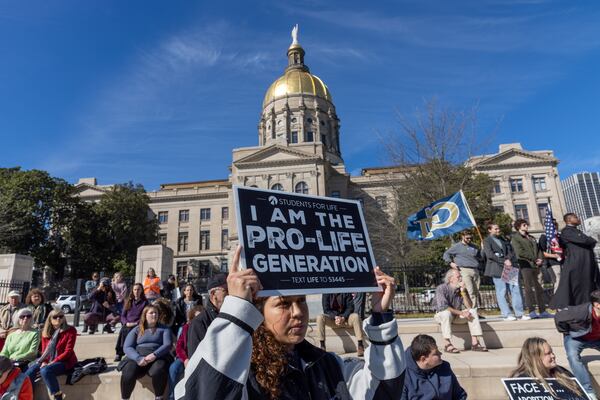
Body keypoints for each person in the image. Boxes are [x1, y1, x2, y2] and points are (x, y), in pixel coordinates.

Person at [175, 245, 405, 400]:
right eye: (284, 304)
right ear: (259, 313)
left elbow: (383, 391)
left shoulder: (329, 365)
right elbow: (204, 392)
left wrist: (379, 315)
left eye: (302, 301)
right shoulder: (241, 372)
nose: (298, 313)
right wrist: (236, 308)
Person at [555, 289, 600, 399]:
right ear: (597, 305)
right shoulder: (580, 311)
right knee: (573, 356)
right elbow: (559, 317)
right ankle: (588, 392)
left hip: (597, 339)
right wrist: (567, 332)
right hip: (577, 339)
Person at [121, 305, 173, 400]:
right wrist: (138, 358)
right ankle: (125, 398)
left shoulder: (165, 329)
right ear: (145, 315)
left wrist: (154, 355)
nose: (154, 315)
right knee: (128, 371)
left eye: (156, 313)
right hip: (139, 358)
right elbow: (127, 347)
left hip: (158, 357)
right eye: (151, 313)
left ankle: (159, 397)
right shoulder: (137, 329)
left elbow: (167, 345)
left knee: (159, 369)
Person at [25, 310, 77, 400]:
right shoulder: (46, 333)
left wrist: (52, 362)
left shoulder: (70, 330)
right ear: (50, 319)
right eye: (55, 317)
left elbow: (68, 352)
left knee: (45, 371)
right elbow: (45, 351)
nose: (58, 319)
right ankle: (29, 397)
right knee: (30, 371)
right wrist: (44, 361)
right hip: (49, 360)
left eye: (61, 316)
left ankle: (58, 396)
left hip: (65, 361)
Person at [552, 213, 600, 309]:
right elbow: (586, 241)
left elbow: (589, 241)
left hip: (586, 262)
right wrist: (590, 240)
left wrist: (590, 240)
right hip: (577, 263)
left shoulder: (576, 231)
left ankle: (588, 304)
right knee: (578, 285)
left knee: (588, 284)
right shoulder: (567, 231)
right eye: (576, 217)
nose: (578, 218)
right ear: (569, 220)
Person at [510, 337, 583, 399]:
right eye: (548, 353)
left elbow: (581, 395)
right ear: (536, 358)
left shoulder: (563, 373)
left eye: (552, 352)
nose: (553, 356)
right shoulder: (522, 382)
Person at [433, 269, 487, 353]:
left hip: (455, 316)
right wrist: (462, 313)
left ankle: (475, 343)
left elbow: (469, 306)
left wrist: (463, 292)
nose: (461, 279)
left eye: (461, 276)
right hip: (441, 315)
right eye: (458, 277)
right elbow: (444, 307)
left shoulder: (460, 290)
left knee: (472, 311)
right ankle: (447, 344)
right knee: (446, 314)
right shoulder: (441, 288)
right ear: (451, 279)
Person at [483, 223, 528, 321]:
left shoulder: (504, 239)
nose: (498, 230)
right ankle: (506, 314)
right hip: (497, 268)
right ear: (489, 230)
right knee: (502, 291)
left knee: (515, 290)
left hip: (510, 267)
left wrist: (508, 259)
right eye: (496, 229)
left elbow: (511, 251)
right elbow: (490, 255)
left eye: (498, 228)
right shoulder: (487, 241)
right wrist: (503, 261)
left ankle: (519, 313)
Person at [401, 334, 467, 400]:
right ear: (423, 359)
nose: (440, 353)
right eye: (436, 353)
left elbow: (459, 395)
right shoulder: (403, 376)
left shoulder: (444, 367)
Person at [511, 219, 551, 319]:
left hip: (536, 266)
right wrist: (534, 259)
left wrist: (540, 259)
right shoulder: (516, 238)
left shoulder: (531, 237)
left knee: (539, 288)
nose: (526, 226)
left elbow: (538, 250)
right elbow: (520, 252)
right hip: (526, 266)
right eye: (524, 225)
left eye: (526, 224)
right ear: (518, 227)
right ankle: (532, 311)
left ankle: (542, 311)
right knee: (528, 289)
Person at [186, 273, 227, 357]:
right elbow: (195, 358)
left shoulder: (235, 316)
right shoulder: (199, 322)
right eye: (226, 290)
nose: (231, 294)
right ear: (213, 294)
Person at [168, 305, 204, 400]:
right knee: (173, 369)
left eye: (200, 317)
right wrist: (185, 359)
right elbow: (179, 347)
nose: (198, 320)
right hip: (186, 358)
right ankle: (172, 397)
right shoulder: (186, 328)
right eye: (196, 317)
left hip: (201, 359)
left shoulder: (207, 328)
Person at [443, 231, 483, 309]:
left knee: (475, 292)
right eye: (467, 238)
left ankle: (474, 310)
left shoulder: (474, 246)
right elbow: (446, 254)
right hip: (464, 270)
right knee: (469, 291)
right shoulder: (457, 246)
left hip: (475, 270)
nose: (469, 239)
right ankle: (471, 310)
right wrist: (450, 263)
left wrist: (482, 249)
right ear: (462, 236)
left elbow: (481, 257)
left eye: (471, 238)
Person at [115, 283, 148, 362]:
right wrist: (126, 323)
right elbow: (122, 316)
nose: (136, 291)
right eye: (135, 289)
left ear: (142, 291)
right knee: (124, 329)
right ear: (132, 291)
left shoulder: (145, 302)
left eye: (138, 289)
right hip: (128, 323)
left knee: (131, 330)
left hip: (138, 324)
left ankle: (131, 351)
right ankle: (119, 353)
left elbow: (144, 316)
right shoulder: (128, 301)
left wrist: (136, 323)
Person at [538, 218, 563, 294]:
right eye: (552, 225)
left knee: (561, 280)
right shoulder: (544, 237)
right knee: (557, 279)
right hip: (552, 262)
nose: (554, 226)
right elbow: (543, 253)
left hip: (562, 261)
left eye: (555, 224)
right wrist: (555, 256)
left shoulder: (559, 236)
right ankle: (557, 299)